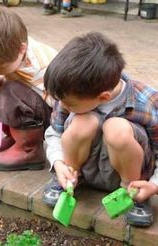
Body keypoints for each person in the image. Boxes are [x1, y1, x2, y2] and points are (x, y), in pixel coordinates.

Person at [42, 32, 157, 227]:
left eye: (69, 104)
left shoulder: (146, 102)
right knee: (82, 122)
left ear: (103, 97)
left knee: (116, 128)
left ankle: (132, 196)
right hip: (83, 171)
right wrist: (59, 164)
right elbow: (55, 132)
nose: (62, 105)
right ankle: (69, 180)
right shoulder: (69, 92)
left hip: (130, 177)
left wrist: (153, 185)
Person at [0, 5, 57, 171]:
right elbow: (2, 74)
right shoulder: (13, 50)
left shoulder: (42, 68)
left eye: (0, 68)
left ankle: (29, 149)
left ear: (21, 49)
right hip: (32, 107)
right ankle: (16, 137)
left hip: (53, 117)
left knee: (11, 93)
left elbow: (63, 107)